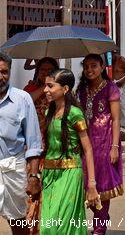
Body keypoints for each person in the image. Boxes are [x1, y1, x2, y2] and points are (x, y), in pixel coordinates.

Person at [40, 69, 98, 235]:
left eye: (50, 86)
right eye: (45, 86)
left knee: (64, 226)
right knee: (48, 227)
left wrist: (92, 185)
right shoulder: (48, 113)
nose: (45, 90)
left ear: (65, 89)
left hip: (71, 173)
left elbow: (87, 149)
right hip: (49, 175)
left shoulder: (75, 114)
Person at [76, 54, 123, 235]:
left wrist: (115, 147)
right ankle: (100, 218)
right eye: (86, 67)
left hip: (105, 142)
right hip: (86, 143)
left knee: (102, 185)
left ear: (102, 67)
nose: (89, 70)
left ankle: (99, 228)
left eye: (93, 66)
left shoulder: (110, 88)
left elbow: (116, 119)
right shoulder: (81, 89)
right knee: (87, 182)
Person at [0, 52, 42, 235]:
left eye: (4, 72)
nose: (1, 76)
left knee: (18, 223)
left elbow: (33, 141)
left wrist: (33, 177)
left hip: (13, 169)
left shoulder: (22, 99)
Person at [22, 58, 57, 133]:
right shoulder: (30, 87)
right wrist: (46, 85)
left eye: (50, 70)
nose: (46, 72)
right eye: (42, 69)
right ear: (37, 71)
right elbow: (25, 102)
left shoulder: (61, 89)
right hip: (34, 131)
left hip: (55, 132)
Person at [109, 51, 125, 132]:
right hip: (117, 83)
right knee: (115, 103)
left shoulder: (121, 59)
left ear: (114, 53)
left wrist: (122, 81)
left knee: (124, 103)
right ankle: (121, 126)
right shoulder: (109, 61)